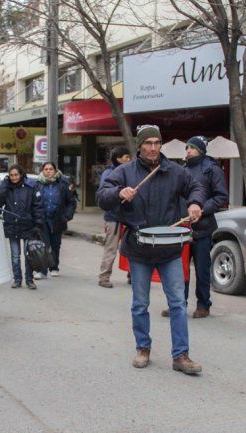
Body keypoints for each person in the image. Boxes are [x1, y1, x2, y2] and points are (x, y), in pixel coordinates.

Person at [97, 125, 206, 375]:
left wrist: (195, 203)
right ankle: (142, 348)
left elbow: (196, 188)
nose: (153, 148)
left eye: (157, 143)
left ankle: (181, 355)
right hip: (139, 248)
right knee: (140, 303)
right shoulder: (125, 172)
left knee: (178, 303)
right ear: (139, 145)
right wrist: (118, 192)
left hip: (169, 248)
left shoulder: (174, 171)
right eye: (148, 143)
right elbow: (103, 195)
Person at [162, 136, 228, 318]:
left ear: (201, 150)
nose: (188, 151)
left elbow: (221, 197)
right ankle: (178, 303)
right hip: (181, 228)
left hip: (203, 227)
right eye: (187, 148)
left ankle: (203, 305)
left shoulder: (212, 170)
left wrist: (201, 209)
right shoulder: (182, 170)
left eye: (192, 148)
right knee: (179, 268)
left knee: (202, 269)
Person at [0, 165, 44, 290]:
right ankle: (17, 279)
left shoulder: (30, 187)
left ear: (21, 174)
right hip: (12, 225)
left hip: (28, 225)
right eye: (11, 175)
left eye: (16, 175)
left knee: (29, 254)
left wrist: (38, 224)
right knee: (15, 255)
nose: (14, 177)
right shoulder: (7, 187)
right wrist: (5, 184)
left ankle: (29, 280)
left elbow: (37, 207)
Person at [34, 162, 77, 279]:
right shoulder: (37, 185)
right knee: (43, 245)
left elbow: (71, 202)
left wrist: (67, 216)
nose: (48, 171)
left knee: (55, 245)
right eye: (46, 169)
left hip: (57, 219)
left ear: (55, 171)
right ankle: (41, 271)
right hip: (43, 220)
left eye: (51, 169)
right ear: (42, 171)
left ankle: (54, 267)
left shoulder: (62, 184)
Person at [98, 146, 132, 288]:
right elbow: (104, 194)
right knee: (111, 247)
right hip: (113, 216)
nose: (129, 160)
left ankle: (133, 275)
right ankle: (104, 277)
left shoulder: (130, 172)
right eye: (126, 157)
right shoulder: (109, 173)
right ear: (118, 159)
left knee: (133, 247)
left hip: (130, 215)